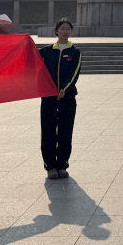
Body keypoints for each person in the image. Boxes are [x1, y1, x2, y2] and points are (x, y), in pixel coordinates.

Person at [39, 19, 81, 180]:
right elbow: (31, 62)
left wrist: (65, 88)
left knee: (65, 132)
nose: (65, 31)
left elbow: (74, 73)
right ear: (56, 31)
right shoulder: (46, 51)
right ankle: (50, 167)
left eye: (68, 29)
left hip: (67, 98)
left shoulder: (75, 52)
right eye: (62, 29)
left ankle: (62, 165)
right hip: (48, 98)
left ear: (72, 32)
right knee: (48, 131)